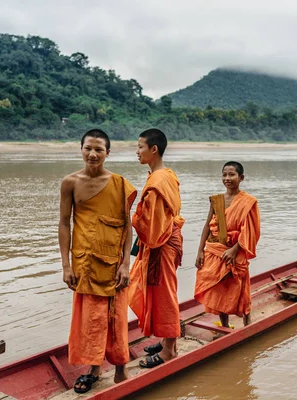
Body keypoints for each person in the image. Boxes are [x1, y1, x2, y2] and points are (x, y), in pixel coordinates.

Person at [59, 129, 137, 393]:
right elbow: (64, 224)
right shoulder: (70, 182)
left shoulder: (120, 183)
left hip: (113, 263)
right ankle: (93, 369)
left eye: (98, 150)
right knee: (90, 318)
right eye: (88, 148)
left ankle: (120, 369)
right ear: (80, 149)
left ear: (107, 153)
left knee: (115, 317)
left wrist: (126, 264)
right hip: (84, 263)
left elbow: (128, 228)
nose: (93, 154)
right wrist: (66, 265)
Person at [128, 128, 185, 369]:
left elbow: (152, 225)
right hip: (166, 239)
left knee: (165, 295)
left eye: (140, 147)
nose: (136, 151)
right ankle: (165, 341)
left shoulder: (159, 179)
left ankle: (170, 350)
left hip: (162, 244)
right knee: (163, 291)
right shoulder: (163, 175)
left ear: (153, 149)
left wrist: (130, 216)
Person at [194, 161, 260, 329]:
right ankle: (224, 325)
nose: (227, 178)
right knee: (218, 286)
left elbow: (249, 231)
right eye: (224, 175)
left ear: (241, 177)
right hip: (215, 249)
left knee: (239, 285)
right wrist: (200, 251)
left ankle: (247, 321)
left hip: (235, 250)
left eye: (232, 174)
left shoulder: (248, 202)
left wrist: (234, 250)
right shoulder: (217, 200)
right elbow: (207, 225)